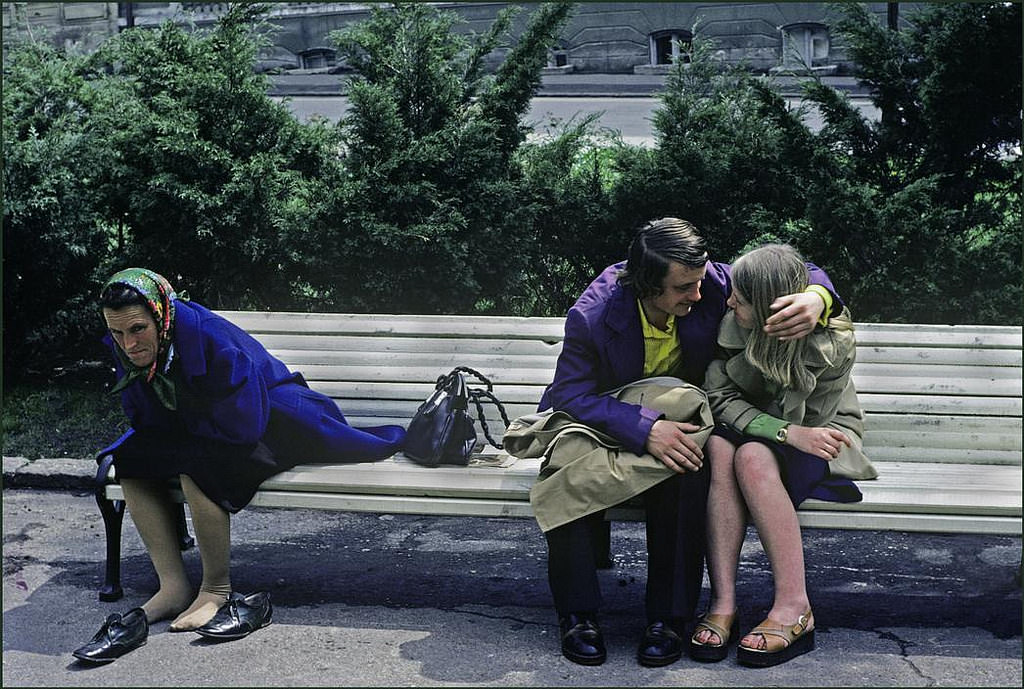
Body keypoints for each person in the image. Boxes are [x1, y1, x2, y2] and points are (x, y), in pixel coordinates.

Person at [534, 218, 843, 667]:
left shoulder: (707, 282)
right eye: (683, 289)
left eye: (699, 284)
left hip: (684, 419)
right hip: (606, 416)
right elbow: (571, 394)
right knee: (569, 470)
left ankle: (667, 618)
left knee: (689, 468)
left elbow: (799, 269)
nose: (698, 296)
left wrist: (817, 298)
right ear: (645, 286)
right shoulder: (594, 315)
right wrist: (644, 429)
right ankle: (578, 615)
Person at [73, 268, 405, 664]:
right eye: (118, 333)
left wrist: (182, 439)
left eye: (137, 329)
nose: (128, 343)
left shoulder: (213, 339)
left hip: (274, 419)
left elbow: (244, 426)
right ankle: (173, 587)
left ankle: (216, 589)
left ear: (162, 314)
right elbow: (145, 417)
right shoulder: (131, 341)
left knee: (200, 464)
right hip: (206, 425)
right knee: (132, 460)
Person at [690, 243, 877, 668]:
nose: (729, 299)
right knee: (721, 447)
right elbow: (718, 398)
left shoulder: (829, 344)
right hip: (769, 430)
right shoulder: (733, 325)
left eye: (741, 297)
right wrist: (777, 430)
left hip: (821, 434)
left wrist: (779, 431)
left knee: (751, 456)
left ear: (773, 307)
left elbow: (808, 424)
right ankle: (723, 603)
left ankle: (795, 607)